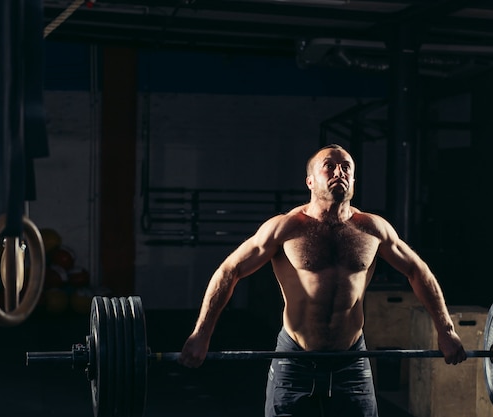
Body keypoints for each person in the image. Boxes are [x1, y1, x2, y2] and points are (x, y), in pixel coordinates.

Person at [179, 144, 467, 417]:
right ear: (310, 182)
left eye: (346, 167)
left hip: (351, 361)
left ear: (354, 179)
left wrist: (445, 330)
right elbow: (230, 270)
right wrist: (202, 333)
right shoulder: (285, 228)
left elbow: (418, 271)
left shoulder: (373, 229)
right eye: (329, 166)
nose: (339, 172)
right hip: (294, 361)